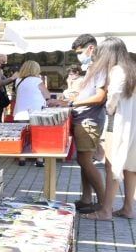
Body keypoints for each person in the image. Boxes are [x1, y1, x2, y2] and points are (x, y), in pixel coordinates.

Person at [49, 34, 107, 213]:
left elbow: (100, 96)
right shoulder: (91, 67)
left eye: (80, 52)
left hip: (89, 121)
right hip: (83, 119)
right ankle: (86, 199)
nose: (79, 56)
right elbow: (88, 94)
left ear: (91, 48)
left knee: (85, 161)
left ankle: (104, 204)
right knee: (84, 161)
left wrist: (71, 103)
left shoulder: (99, 68)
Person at [84, 38, 136, 221]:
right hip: (133, 123)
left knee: (112, 165)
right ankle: (128, 208)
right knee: (130, 167)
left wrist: (110, 108)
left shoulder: (117, 70)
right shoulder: (132, 68)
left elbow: (113, 96)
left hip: (120, 123)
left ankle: (106, 210)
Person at [13, 60, 51, 166]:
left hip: (20, 111)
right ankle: (39, 159)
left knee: (22, 135)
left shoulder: (18, 80)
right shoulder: (37, 80)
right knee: (38, 135)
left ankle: (22, 158)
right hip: (36, 111)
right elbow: (47, 95)